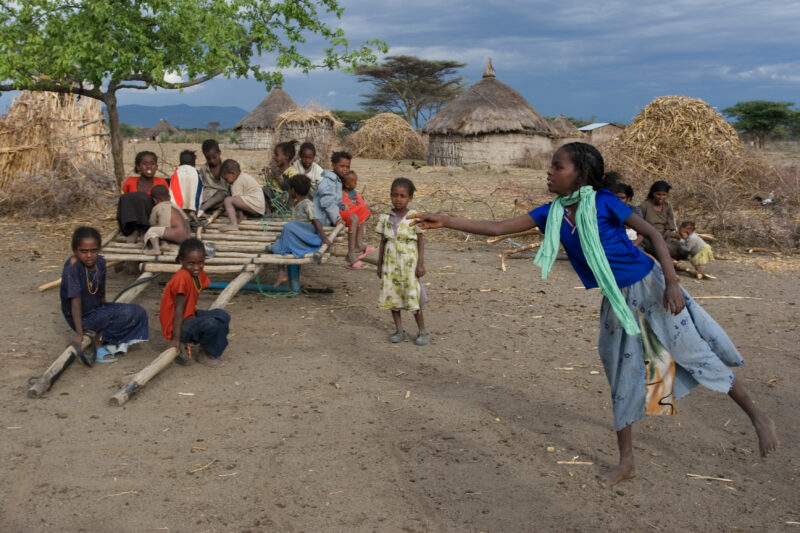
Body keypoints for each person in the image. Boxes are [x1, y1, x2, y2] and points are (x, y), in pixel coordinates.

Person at [411, 142, 779, 487]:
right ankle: (627, 462)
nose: (549, 172)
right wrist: (445, 220)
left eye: (558, 166)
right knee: (620, 373)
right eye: (551, 166)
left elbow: (650, 232)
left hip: (651, 289)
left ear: (581, 173)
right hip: (616, 301)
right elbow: (496, 227)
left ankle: (757, 416)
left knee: (694, 353)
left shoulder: (604, 202)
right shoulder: (551, 213)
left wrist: (671, 282)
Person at [61, 226, 149, 363]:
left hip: (96, 309)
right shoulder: (73, 267)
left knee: (139, 312)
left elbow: (101, 290)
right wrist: (79, 334)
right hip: (81, 317)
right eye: (83, 251)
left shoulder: (100, 262)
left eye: (93, 251)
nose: (89, 255)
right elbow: (75, 302)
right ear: (75, 251)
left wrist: (106, 311)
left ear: (99, 249)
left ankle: (102, 334)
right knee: (123, 314)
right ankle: (103, 343)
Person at [160, 238, 230, 368]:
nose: (196, 267)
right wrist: (175, 338)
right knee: (210, 324)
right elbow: (178, 310)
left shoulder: (197, 273)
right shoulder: (181, 278)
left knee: (222, 316)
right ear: (181, 261)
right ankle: (203, 353)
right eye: (191, 263)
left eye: (201, 262)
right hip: (177, 325)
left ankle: (211, 350)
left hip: (188, 317)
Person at [376, 177, 428, 346]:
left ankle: (422, 331)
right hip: (390, 265)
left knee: (413, 297)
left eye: (402, 196)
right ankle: (399, 330)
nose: (398, 199)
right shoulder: (385, 218)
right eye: (394, 195)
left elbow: (420, 241)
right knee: (393, 296)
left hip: (409, 265)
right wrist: (379, 265)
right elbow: (383, 242)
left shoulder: (414, 217)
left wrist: (420, 264)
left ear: (410, 198)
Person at [269, 174, 331, 287]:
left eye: (289, 189)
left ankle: (284, 269)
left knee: (288, 227)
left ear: (293, 190)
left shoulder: (308, 204)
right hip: (294, 235)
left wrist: (324, 237)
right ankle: (281, 273)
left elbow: (316, 221)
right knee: (277, 246)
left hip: (304, 235)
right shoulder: (295, 204)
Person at [117, 151, 169, 241]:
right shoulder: (130, 181)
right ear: (138, 167)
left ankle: (144, 230)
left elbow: (164, 204)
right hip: (133, 221)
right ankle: (134, 230)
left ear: (156, 167)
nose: (149, 167)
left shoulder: (161, 182)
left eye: (152, 164)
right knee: (124, 198)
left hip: (151, 218)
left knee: (143, 197)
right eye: (145, 164)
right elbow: (125, 204)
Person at [639, 180, 686, 259]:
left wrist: (662, 238)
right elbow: (639, 225)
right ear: (653, 193)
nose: (661, 197)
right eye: (658, 194)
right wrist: (655, 238)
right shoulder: (644, 206)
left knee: (683, 248)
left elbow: (669, 227)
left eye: (664, 195)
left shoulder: (667, 206)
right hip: (648, 239)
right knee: (665, 249)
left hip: (664, 237)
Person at [219, 159, 266, 232]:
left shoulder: (237, 182)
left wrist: (239, 217)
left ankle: (233, 224)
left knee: (228, 200)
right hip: (259, 207)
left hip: (255, 204)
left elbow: (236, 203)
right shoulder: (243, 176)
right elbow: (240, 201)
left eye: (226, 179)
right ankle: (242, 217)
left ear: (233, 173)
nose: (226, 182)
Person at [143, 185, 190, 256]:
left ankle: (156, 249)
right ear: (169, 197)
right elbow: (186, 219)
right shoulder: (176, 206)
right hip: (186, 236)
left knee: (152, 230)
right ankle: (165, 245)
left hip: (175, 233)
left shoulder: (157, 207)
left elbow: (152, 223)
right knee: (163, 229)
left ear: (155, 200)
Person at [340, 170, 373, 267]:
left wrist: (362, 204)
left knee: (363, 211)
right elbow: (344, 206)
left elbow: (360, 202)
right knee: (356, 215)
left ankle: (358, 245)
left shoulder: (353, 193)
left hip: (349, 211)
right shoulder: (341, 193)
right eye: (354, 182)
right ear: (347, 185)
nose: (356, 184)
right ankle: (353, 251)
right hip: (343, 213)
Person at [313, 151, 348, 229]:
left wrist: (342, 207)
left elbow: (335, 201)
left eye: (347, 167)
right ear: (333, 165)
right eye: (342, 166)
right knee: (354, 218)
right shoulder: (329, 180)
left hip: (328, 217)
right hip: (322, 220)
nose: (345, 169)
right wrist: (337, 219)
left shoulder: (337, 180)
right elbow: (328, 202)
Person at [169, 150, 203, 225]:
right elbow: (199, 189)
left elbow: (172, 189)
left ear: (180, 162)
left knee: (177, 196)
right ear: (194, 163)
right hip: (193, 176)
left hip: (179, 176)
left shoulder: (177, 171)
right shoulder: (195, 171)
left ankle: (179, 212)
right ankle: (193, 212)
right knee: (194, 194)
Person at [198, 139, 229, 214]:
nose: (212, 161)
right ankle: (204, 208)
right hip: (208, 196)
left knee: (222, 195)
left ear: (219, 153)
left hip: (224, 195)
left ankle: (203, 209)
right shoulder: (203, 168)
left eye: (214, 157)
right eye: (208, 159)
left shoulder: (228, 166)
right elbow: (202, 186)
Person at [612, 180, 644, 248]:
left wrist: (633, 246)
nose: (619, 200)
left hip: (633, 243)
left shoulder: (635, 211)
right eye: (616, 197)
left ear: (628, 198)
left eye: (623, 198)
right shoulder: (608, 210)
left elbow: (642, 233)